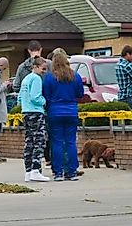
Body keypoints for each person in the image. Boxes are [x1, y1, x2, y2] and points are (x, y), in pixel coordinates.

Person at [43, 52, 84, 181]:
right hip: (71, 111)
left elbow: (46, 96)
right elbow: (80, 94)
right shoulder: (75, 76)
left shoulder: (50, 78)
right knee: (71, 142)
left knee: (57, 142)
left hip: (55, 111)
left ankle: (58, 172)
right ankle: (71, 171)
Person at [19, 57, 50, 182]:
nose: (44, 71)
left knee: (29, 141)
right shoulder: (36, 79)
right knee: (39, 140)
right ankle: (36, 169)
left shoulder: (26, 79)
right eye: (43, 69)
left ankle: (28, 170)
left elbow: (21, 96)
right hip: (36, 112)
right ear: (36, 67)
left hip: (26, 112)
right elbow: (35, 97)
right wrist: (44, 101)